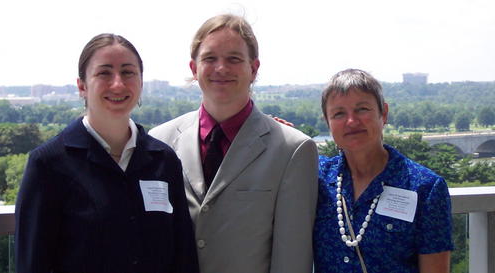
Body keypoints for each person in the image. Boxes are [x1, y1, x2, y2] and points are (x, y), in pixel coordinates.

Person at [15, 33, 199, 273]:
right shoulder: (48, 165)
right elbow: (32, 264)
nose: (118, 84)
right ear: (82, 86)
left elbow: (183, 256)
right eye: (104, 73)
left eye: (128, 72)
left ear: (141, 82)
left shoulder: (164, 161)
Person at [149, 14, 318, 273]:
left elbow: (292, 259)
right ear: (194, 68)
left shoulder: (292, 150)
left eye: (234, 59)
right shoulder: (160, 142)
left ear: (254, 68)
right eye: (210, 58)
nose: (221, 68)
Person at [313, 69, 453, 272]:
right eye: (339, 113)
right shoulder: (317, 177)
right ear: (328, 122)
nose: (351, 121)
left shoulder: (425, 188)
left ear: (383, 113)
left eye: (362, 109)